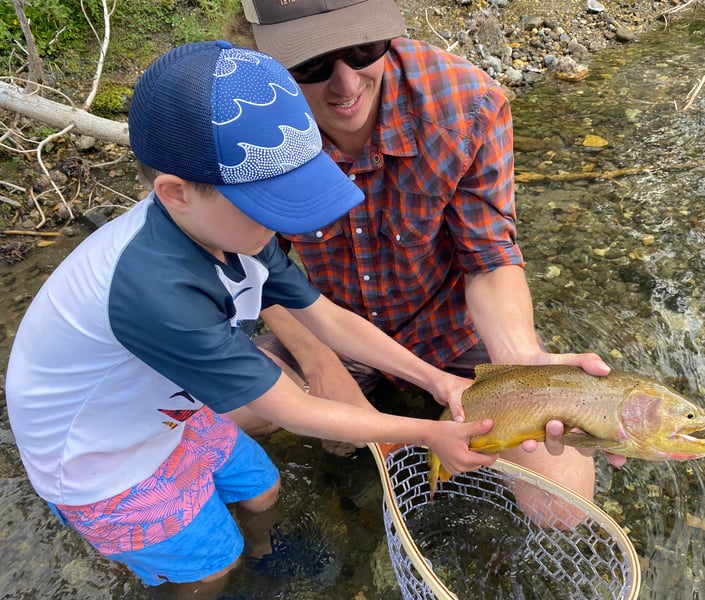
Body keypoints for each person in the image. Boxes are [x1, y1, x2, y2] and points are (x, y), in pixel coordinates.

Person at [4, 40, 498, 599]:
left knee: (262, 488)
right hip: (98, 461)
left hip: (163, 413)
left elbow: (328, 319)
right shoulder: (156, 291)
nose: (283, 226)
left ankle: (264, 554)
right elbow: (295, 410)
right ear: (175, 193)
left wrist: (439, 382)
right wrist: (428, 432)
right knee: (212, 566)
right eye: (268, 205)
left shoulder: (231, 232)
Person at [241, 0, 626, 501]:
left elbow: (489, 259)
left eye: (363, 48)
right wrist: (321, 365)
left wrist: (521, 364)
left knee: (562, 505)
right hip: (329, 325)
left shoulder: (467, 107)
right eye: (311, 63)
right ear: (265, 55)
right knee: (209, 413)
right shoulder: (245, 122)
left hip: (450, 332)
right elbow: (251, 264)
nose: (346, 83)